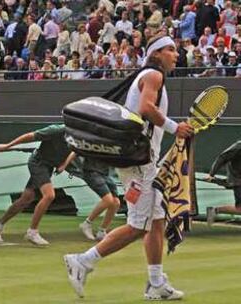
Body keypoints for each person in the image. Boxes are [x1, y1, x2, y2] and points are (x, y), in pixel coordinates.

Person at [63, 34, 194, 300]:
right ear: (156, 54)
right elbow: (147, 108)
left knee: (156, 222)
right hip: (139, 164)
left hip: (144, 161)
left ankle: (156, 283)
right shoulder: (154, 76)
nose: (176, 54)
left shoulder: (151, 76)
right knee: (139, 226)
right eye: (170, 50)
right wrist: (175, 128)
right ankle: (83, 261)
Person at [0, 124, 71, 245]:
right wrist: (7, 146)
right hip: (38, 163)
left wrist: (64, 164)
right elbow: (29, 136)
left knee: (26, 199)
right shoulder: (56, 130)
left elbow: (75, 151)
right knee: (49, 195)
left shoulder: (81, 135)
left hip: (48, 166)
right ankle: (32, 232)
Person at [58, 152, 120, 241]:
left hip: (105, 174)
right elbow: (75, 152)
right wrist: (64, 165)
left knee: (116, 202)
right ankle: (86, 224)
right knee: (108, 200)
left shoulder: (110, 142)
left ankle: (102, 232)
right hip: (91, 172)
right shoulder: (90, 140)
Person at [205, 140, 241, 226]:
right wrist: (211, 174)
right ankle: (215, 210)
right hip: (238, 179)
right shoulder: (238, 146)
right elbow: (222, 157)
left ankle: (215, 210)